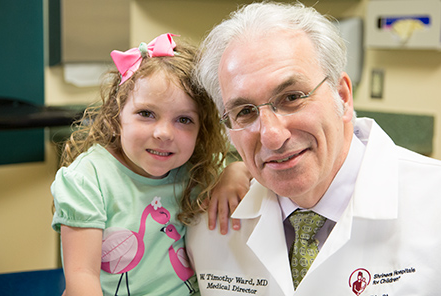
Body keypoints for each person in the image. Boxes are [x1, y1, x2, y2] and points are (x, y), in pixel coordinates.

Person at [186, 2, 441, 295]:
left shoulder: (434, 204)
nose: (271, 136)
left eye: (292, 97)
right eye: (244, 111)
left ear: (342, 96)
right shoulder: (204, 224)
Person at [51, 33, 249, 296]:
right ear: (116, 114)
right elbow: (81, 278)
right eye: (146, 114)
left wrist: (233, 172)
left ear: (202, 129)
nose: (164, 133)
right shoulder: (88, 179)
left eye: (184, 120)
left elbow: (250, 167)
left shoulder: (198, 167)